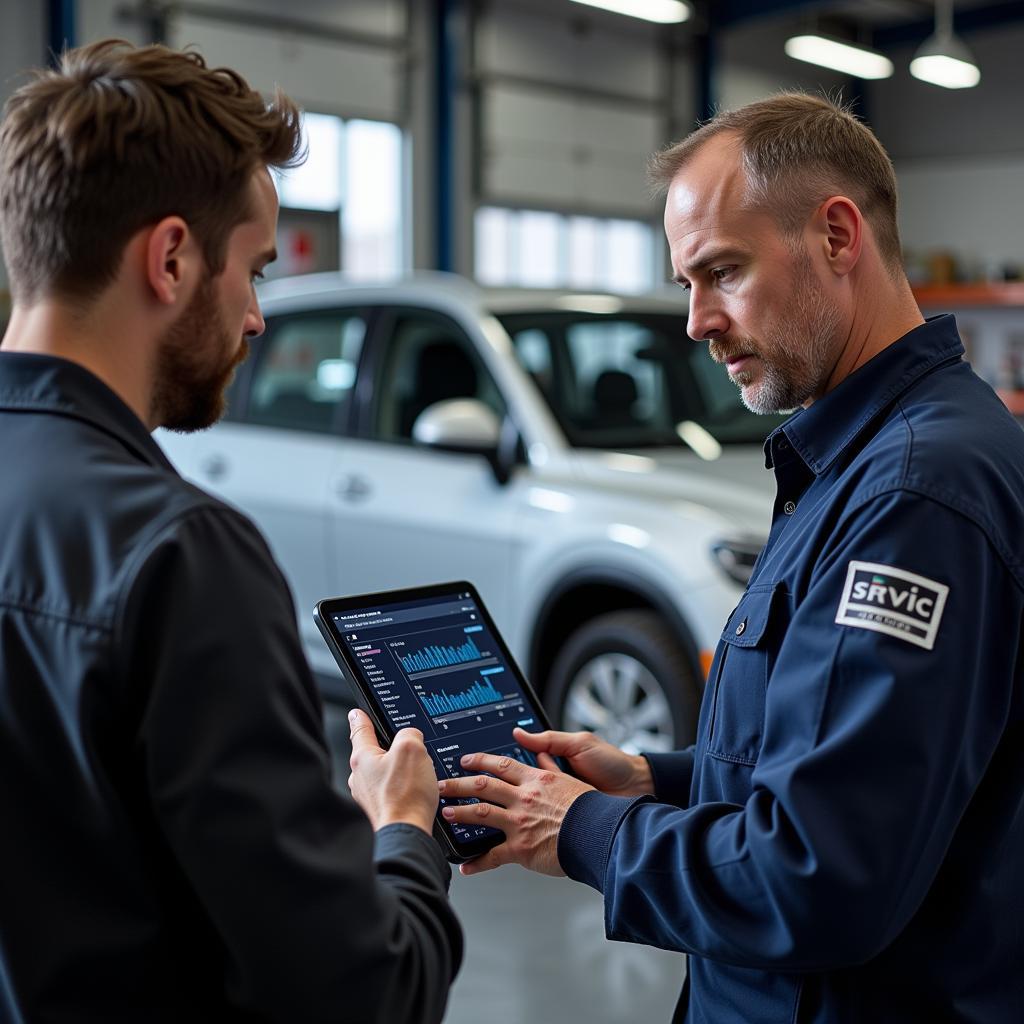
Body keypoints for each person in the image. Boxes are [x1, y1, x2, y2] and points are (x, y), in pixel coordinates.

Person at [440, 93, 1024, 1022]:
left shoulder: (913, 494)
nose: (697, 321)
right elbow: (841, 758)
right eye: (686, 283)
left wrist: (582, 827)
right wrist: (654, 780)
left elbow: (820, 876)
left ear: (838, 235)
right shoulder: (864, 458)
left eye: (723, 271)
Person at [0, 40, 461, 1023]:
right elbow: (362, 994)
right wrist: (406, 835)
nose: (257, 318)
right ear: (170, 258)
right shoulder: (177, 555)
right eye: (251, 269)